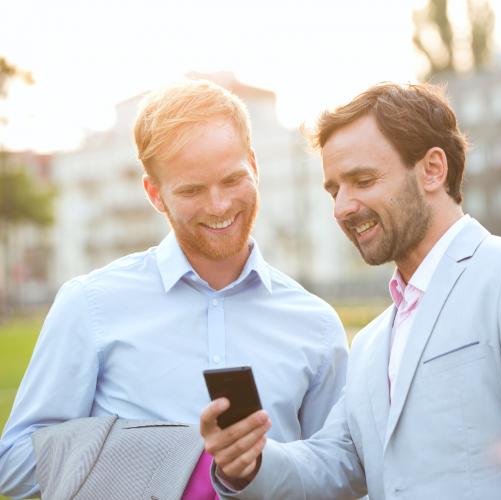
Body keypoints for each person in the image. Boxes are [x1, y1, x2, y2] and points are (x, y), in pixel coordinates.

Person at [201, 82, 501, 499]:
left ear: (432, 169)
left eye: (363, 179)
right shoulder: (371, 342)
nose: (343, 207)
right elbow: (332, 463)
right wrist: (250, 463)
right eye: (335, 189)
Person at [0, 79, 349, 498]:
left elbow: (339, 474)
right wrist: (159, 451)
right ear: (155, 194)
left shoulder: (315, 324)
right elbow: (13, 464)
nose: (219, 205)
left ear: (254, 166)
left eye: (232, 179)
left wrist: (253, 470)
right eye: (192, 190)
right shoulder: (90, 304)